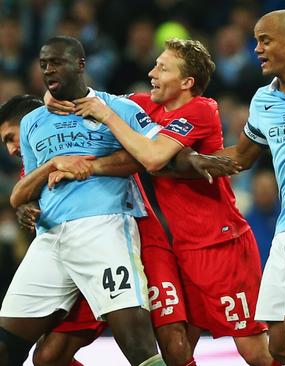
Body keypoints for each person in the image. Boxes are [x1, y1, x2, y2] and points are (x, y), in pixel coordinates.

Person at [48, 37, 275, 366]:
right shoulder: (144, 105)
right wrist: (52, 92)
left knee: (253, 349)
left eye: (163, 68)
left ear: (186, 82)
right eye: (155, 64)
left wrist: (108, 116)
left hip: (219, 244)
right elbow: (80, 95)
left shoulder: (201, 109)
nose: (152, 72)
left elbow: (153, 158)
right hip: (175, 248)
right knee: (175, 350)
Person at [173, 10, 285, 366]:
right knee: (278, 345)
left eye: (265, 40)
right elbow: (241, 157)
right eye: (256, 41)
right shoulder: (263, 101)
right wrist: (183, 161)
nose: (256, 49)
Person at [0, 36, 165, 366]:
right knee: (7, 348)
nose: (48, 69)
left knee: (136, 344)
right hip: (48, 239)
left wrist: (90, 166)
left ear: (80, 64)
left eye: (56, 62)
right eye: (43, 63)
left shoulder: (117, 108)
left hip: (103, 227)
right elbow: (28, 185)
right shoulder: (33, 122)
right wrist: (39, 185)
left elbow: (155, 156)